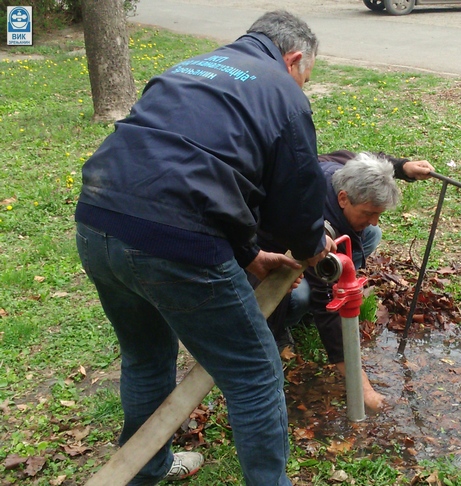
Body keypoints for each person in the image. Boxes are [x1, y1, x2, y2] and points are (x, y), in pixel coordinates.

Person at [74, 10, 336, 486]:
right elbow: (297, 205)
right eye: (306, 77)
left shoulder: (191, 67)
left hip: (96, 220)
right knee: (254, 374)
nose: (302, 86)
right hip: (175, 244)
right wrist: (311, 246)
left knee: (145, 358)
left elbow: (193, 168)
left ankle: (146, 469)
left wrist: (250, 256)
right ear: (294, 59)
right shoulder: (283, 93)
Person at [261, 150, 434, 411]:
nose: (374, 219)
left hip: (313, 238)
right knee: (300, 295)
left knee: (371, 234)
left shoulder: (341, 169)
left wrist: (404, 167)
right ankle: (279, 327)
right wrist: (362, 388)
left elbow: (367, 158)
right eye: (368, 212)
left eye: (379, 212)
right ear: (343, 198)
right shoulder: (316, 225)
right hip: (265, 263)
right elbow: (326, 304)